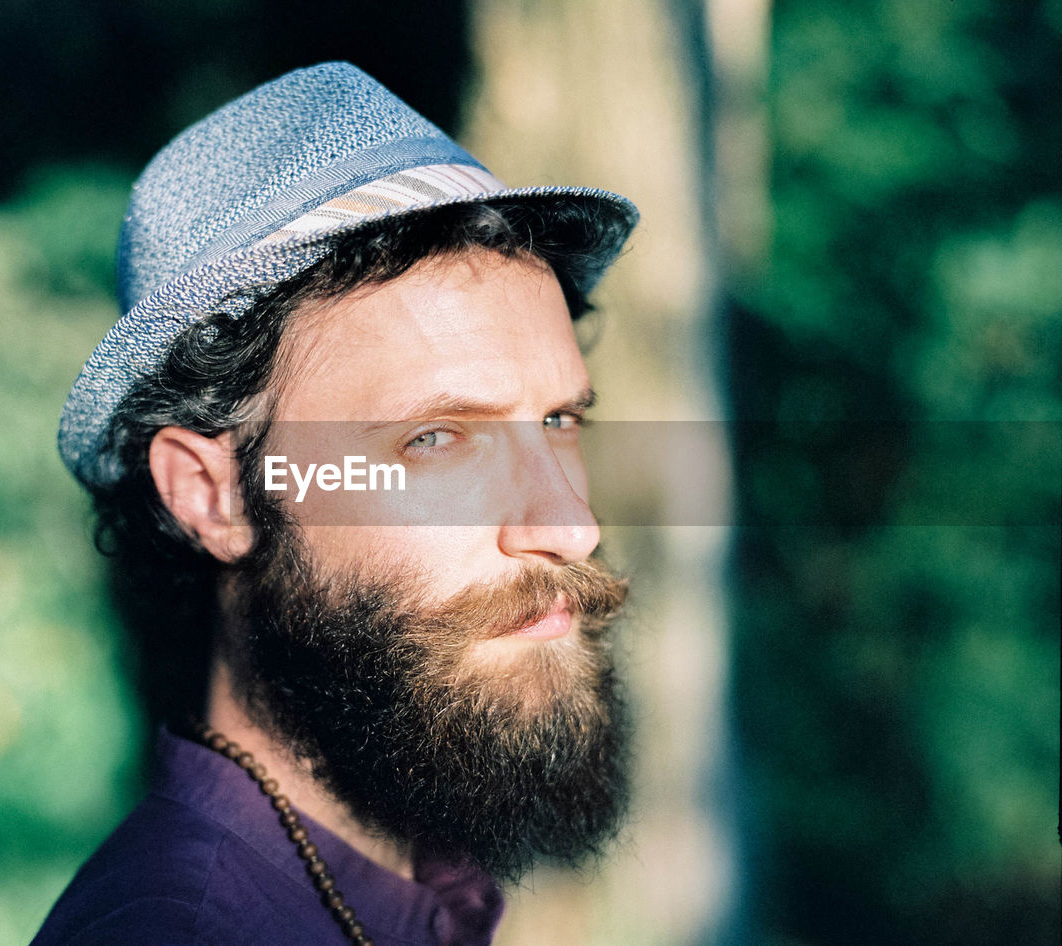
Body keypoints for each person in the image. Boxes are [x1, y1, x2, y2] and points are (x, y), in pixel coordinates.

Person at [33, 62, 639, 946]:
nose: (570, 526)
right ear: (214, 496)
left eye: (556, 419)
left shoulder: (405, 884)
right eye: (434, 440)